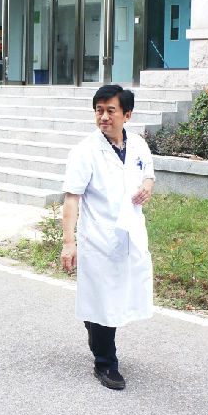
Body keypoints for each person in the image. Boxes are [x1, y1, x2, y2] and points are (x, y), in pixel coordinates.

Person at [60, 84, 155, 391]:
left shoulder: (138, 144)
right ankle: (106, 363)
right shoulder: (85, 151)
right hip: (98, 238)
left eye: (110, 110)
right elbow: (72, 198)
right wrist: (69, 243)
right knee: (103, 300)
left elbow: (148, 174)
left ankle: (94, 327)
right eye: (99, 111)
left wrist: (147, 187)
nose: (103, 117)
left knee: (117, 296)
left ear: (127, 115)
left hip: (130, 234)